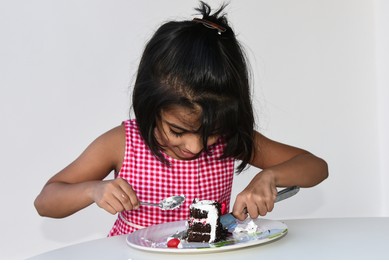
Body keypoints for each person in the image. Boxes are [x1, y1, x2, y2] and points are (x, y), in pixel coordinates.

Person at [34, 2, 328, 236]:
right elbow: (46, 201)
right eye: (177, 131)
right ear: (149, 107)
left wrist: (270, 176)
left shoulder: (230, 140)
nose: (196, 146)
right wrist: (92, 189)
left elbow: (316, 166)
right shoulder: (123, 143)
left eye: (211, 132)